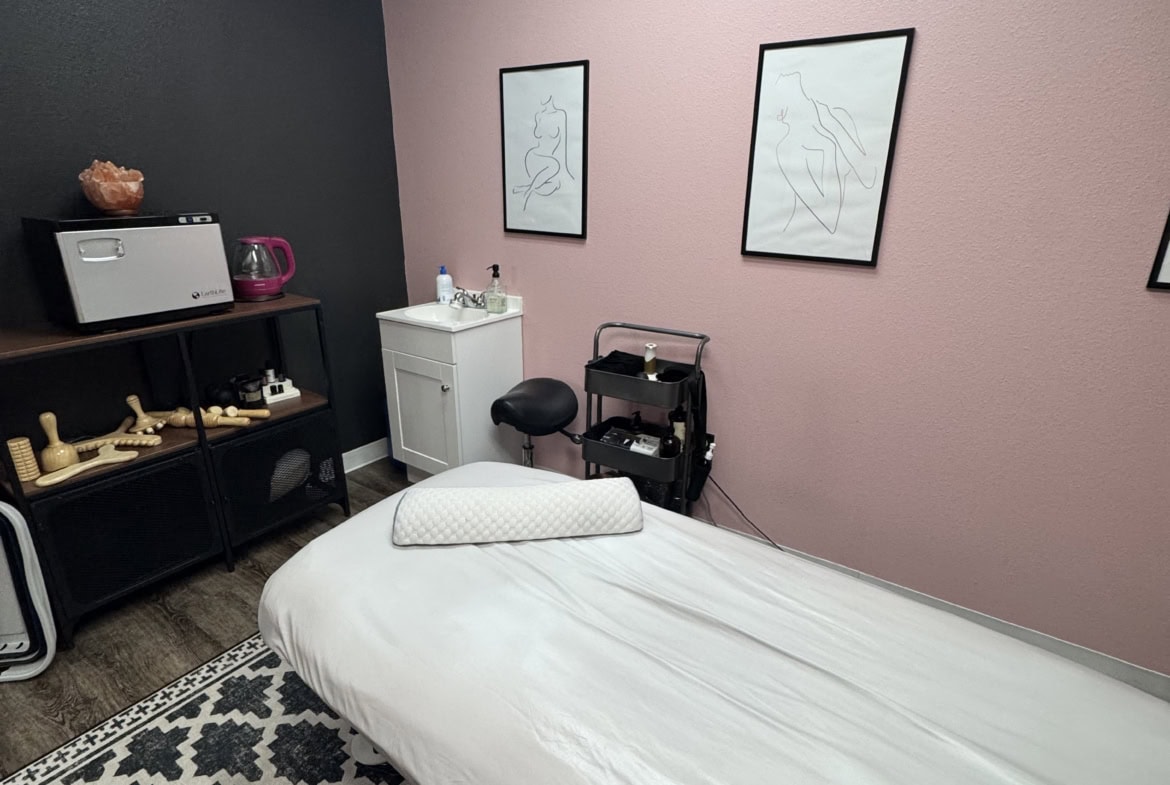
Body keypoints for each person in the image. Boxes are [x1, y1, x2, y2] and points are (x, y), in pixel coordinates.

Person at [771, 71, 877, 234]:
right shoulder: (787, 147)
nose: (778, 118)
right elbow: (829, 219)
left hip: (850, 238)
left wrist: (835, 129)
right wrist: (829, 152)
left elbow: (869, 178)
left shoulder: (836, 117)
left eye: (778, 106)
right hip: (801, 239)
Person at [513, 96, 573, 210]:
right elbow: (537, 133)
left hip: (550, 163)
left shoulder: (560, 115)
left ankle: (525, 188)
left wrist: (564, 170)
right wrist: (540, 121)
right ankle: (529, 192)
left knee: (555, 184)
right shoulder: (539, 115)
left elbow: (563, 144)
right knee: (554, 166)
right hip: (534, 157)